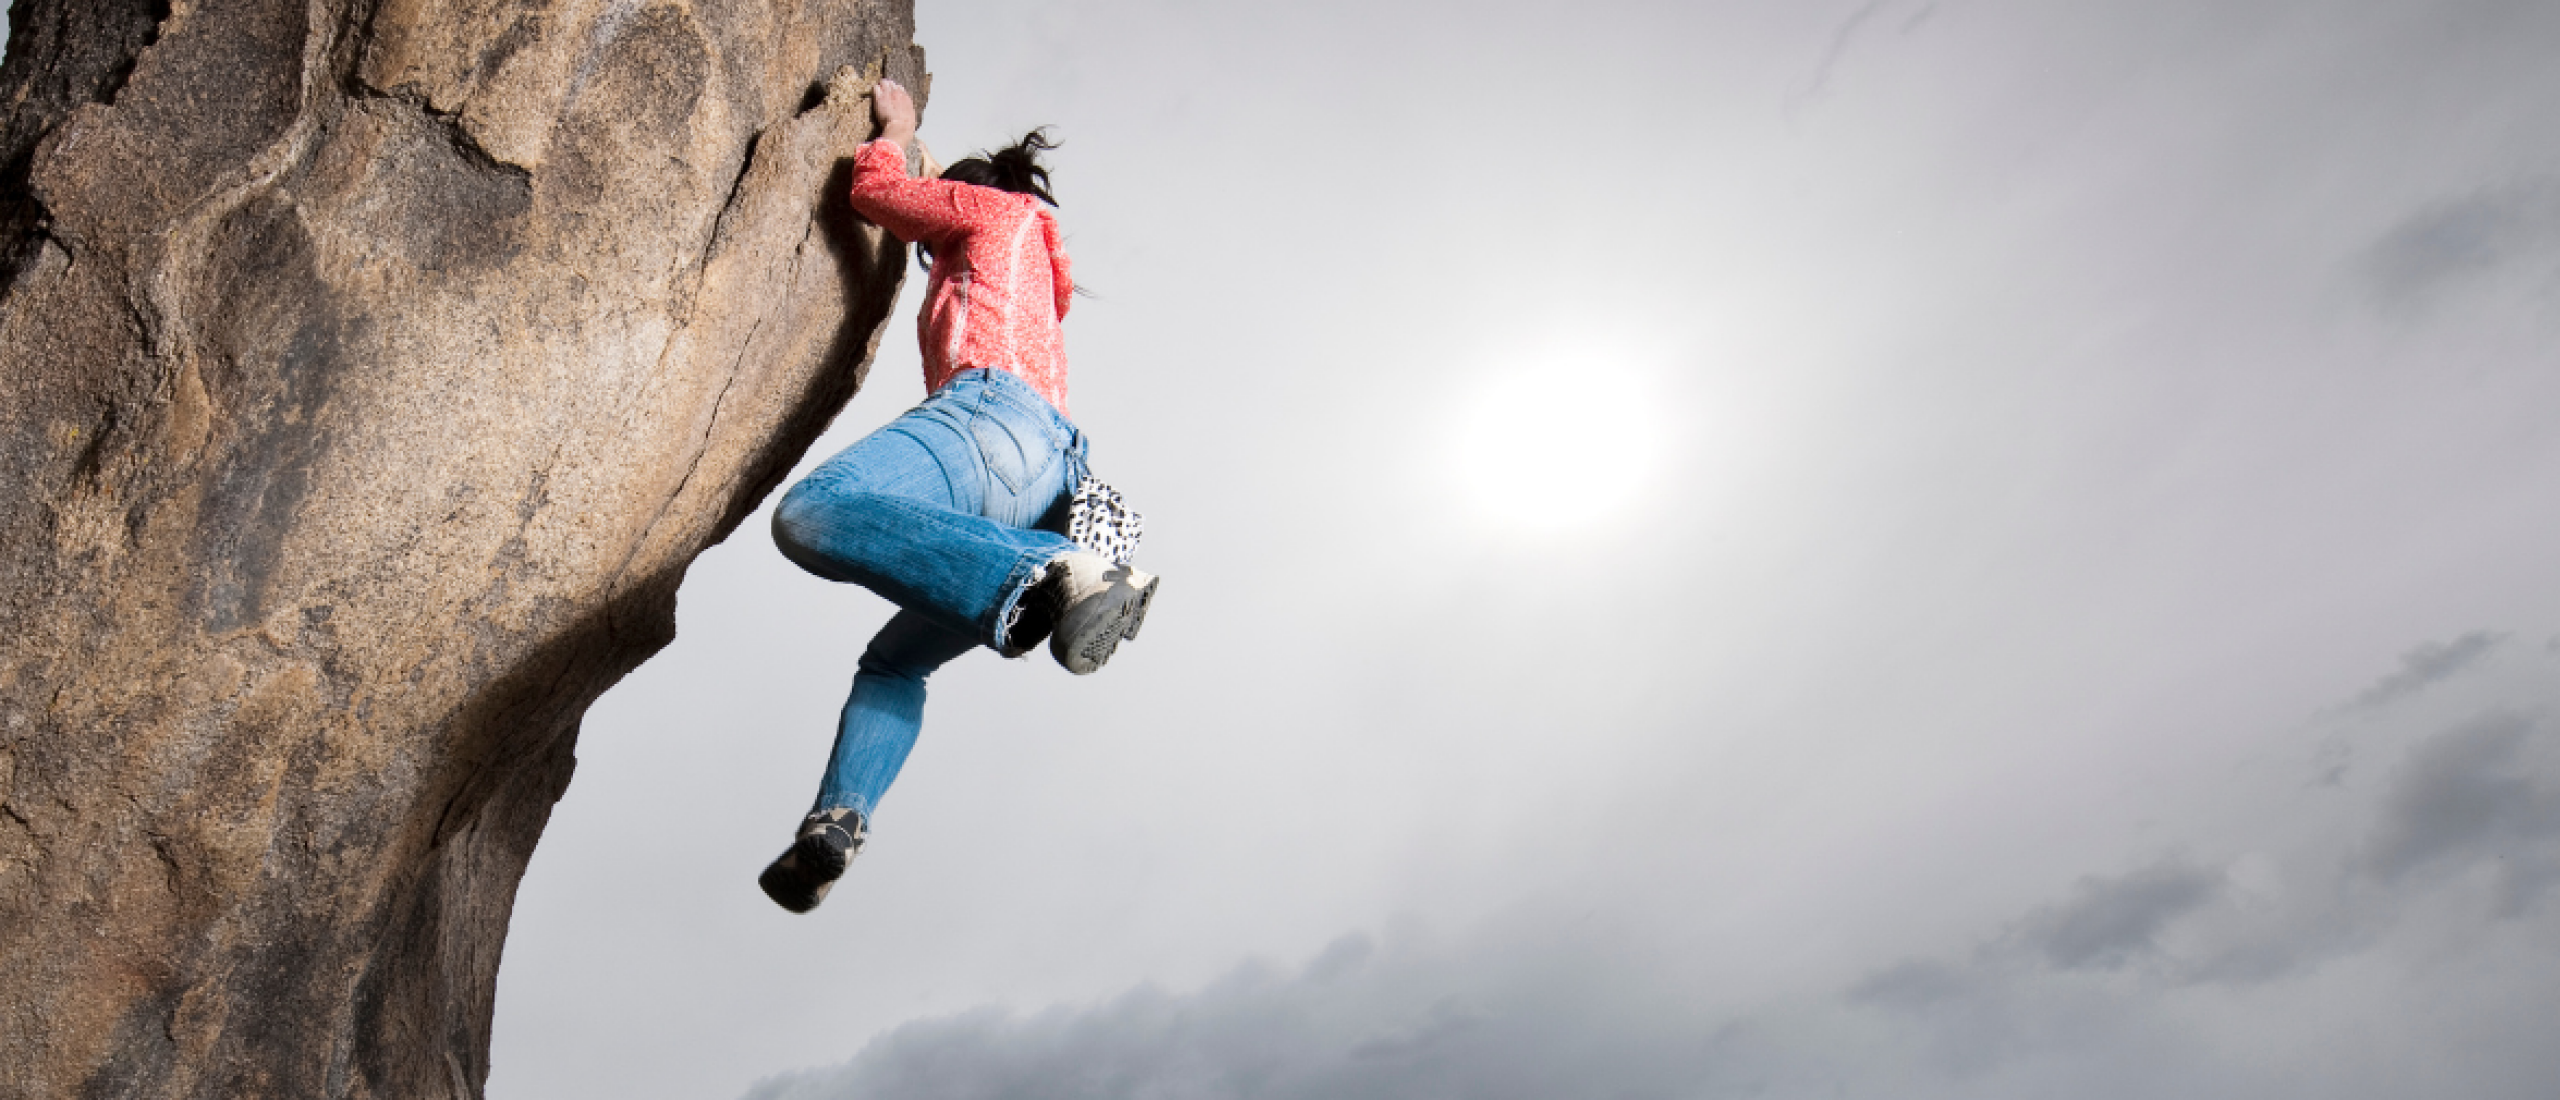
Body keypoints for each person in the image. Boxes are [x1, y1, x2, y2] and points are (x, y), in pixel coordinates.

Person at [756, 79, 1158, 914]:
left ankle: (1058, 572)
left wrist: (896, 130)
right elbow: (954, 207)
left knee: (813, 513)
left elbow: (876, 193)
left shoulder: (987, 214)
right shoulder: (1033, 260)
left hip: (989, 423)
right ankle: (838, 820)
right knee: (895, 662)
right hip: (1050, 476)